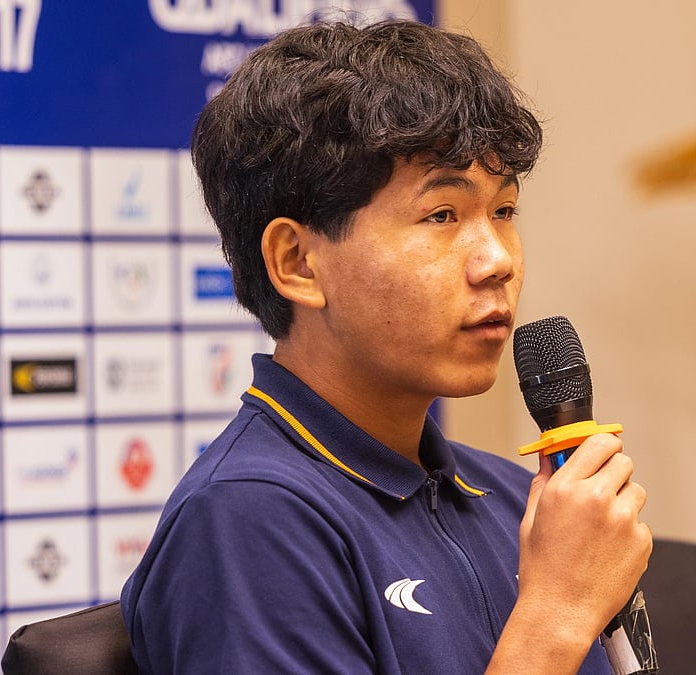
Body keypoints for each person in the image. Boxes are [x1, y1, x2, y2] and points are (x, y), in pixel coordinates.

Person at [120, 18, 653, 674]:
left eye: (505, 212)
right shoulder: (246, 523)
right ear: (298, 262)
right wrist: (555, 614)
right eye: (441, 216)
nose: (496, 260)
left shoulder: (521, 502)